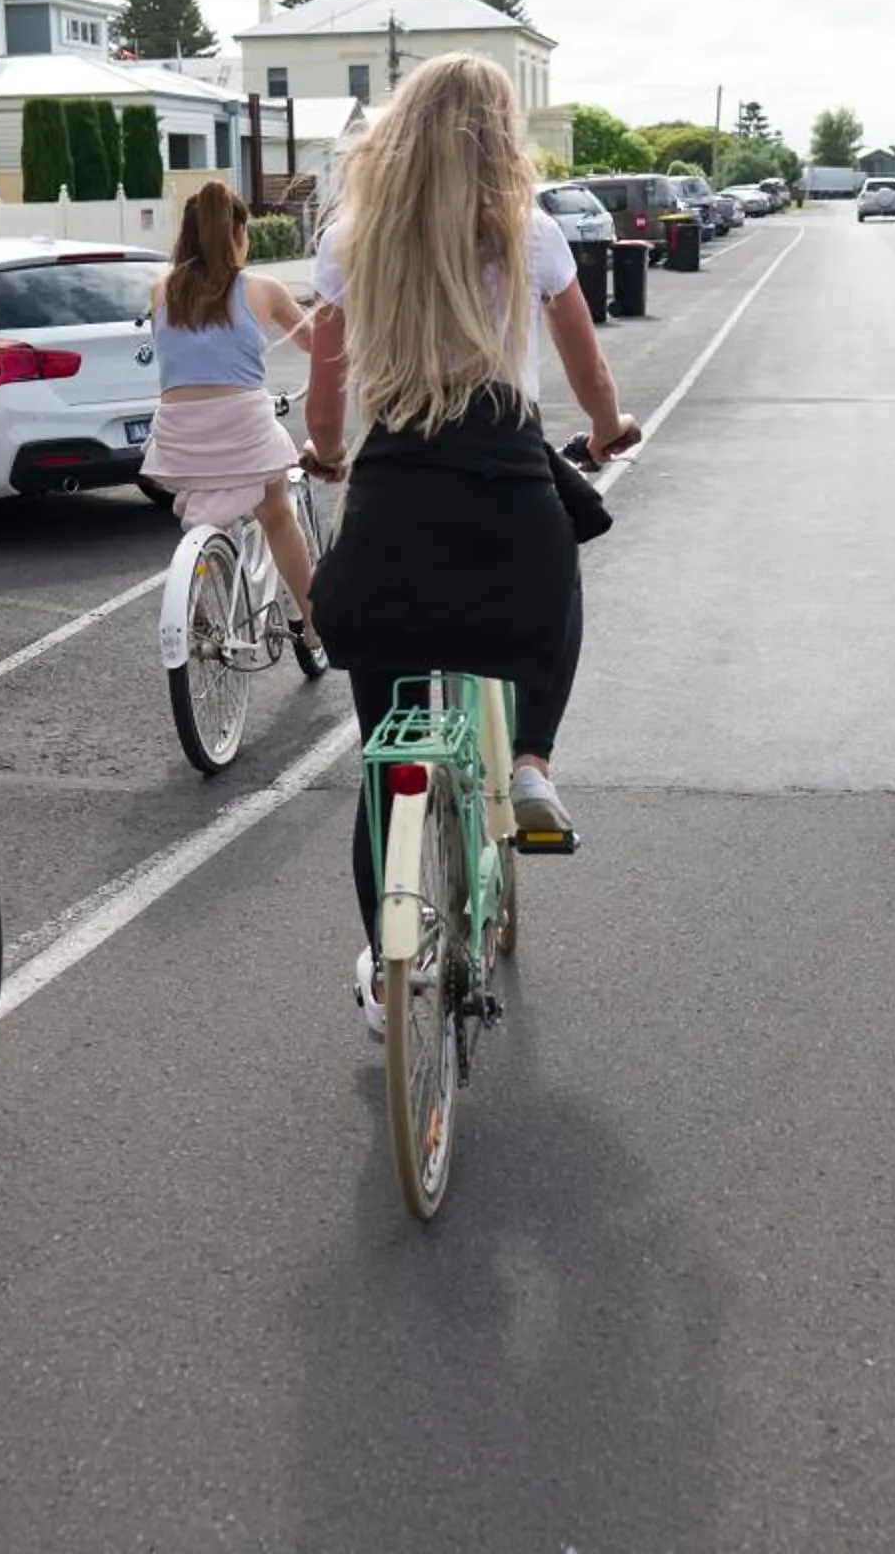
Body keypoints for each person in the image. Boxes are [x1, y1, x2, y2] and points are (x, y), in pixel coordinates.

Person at [301, 53, 640, 1034]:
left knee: (382, 757)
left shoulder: (351, 238)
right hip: (508, 501)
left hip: (394, 505)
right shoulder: (530, 232)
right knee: (559, 575)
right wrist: (609, 429)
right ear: (502, 135)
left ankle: (386, 963)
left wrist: (328, 455)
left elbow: (327, 401)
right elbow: (592, 369)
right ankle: (531, 757)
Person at [140, 182, 321, 668]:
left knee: (202, 509)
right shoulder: (263, 289)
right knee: (278, 515)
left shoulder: (162, 290)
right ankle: (318, 623)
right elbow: (316, 344)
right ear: (238, 233)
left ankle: (197, 600)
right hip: (241, 428)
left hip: (178, 436)